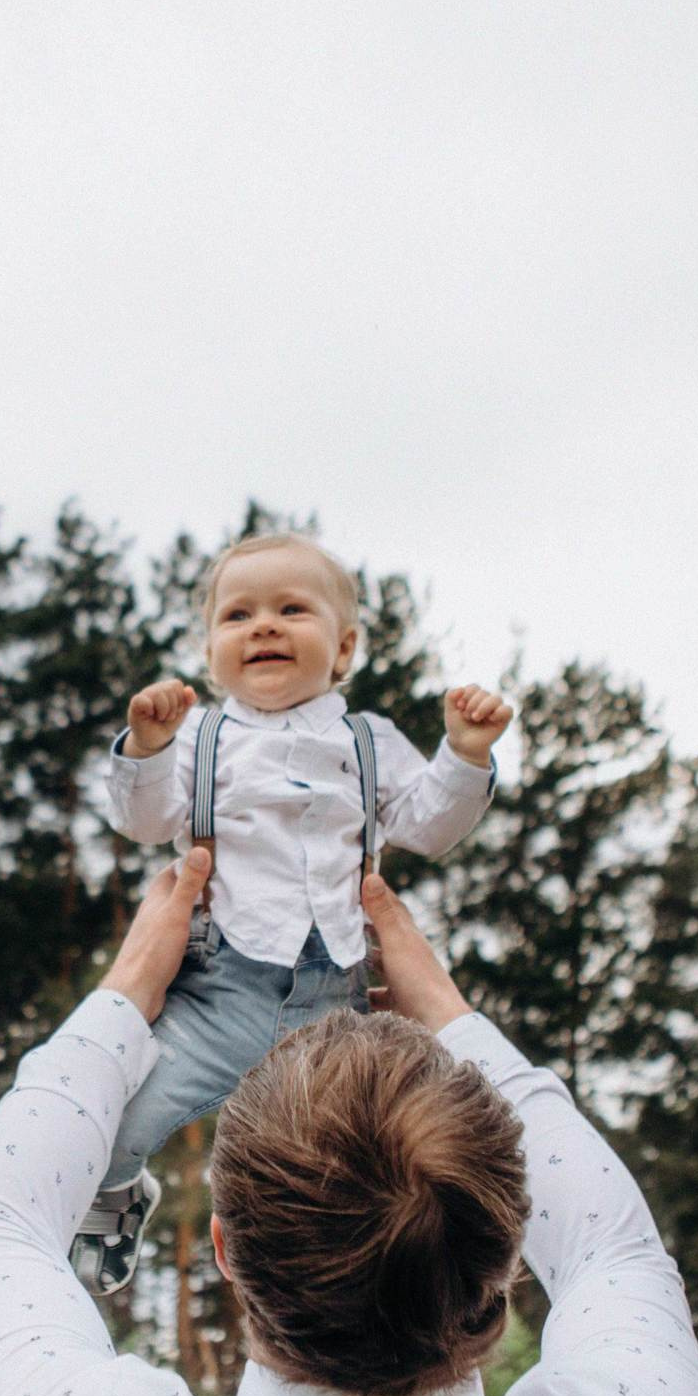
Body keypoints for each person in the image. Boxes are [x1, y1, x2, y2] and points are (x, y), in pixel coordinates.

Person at [0, 849, 698, 1396]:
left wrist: (131, 983)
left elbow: (1, 1224)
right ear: (505, 1249)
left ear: (225, 1248)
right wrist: (451, 1016)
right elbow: (612, 1244)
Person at [74, 530, 513, 1294]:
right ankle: (115, 1194)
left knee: (355, 1170)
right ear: (210, 649)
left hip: (335, 1003)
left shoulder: (366, 741)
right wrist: (145, 747)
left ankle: (348, 1291)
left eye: (291, 609)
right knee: (120, 1116)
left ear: (342, 649)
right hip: (217, 992)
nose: (264, 626)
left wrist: (464, 754)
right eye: (238, 615)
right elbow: (144, 822)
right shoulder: (200, 739)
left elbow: (427, 825)